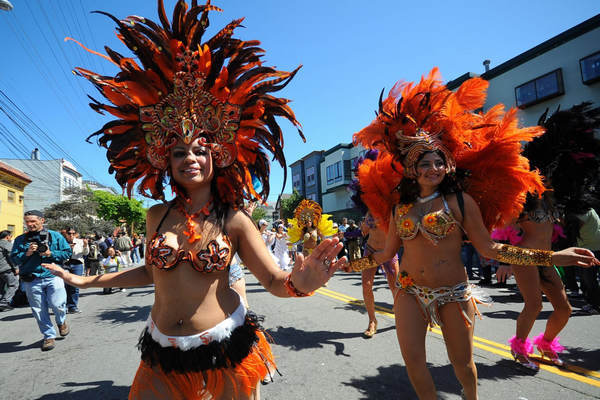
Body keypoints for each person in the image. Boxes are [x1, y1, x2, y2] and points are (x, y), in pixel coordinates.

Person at [43, 2, 347, 398]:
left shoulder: (234, 219)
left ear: (217, 157)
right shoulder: (156, 215)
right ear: (164, 161)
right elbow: (151, 273)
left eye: (200, 150)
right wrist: (84, 279)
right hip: (161, 351)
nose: (190, 159)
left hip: (223, 349)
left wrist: (302, 283)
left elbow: (273, 280)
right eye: (179, 152)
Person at [348, 68, 599, 400]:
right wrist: (347, 265)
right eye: (424, 163)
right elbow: (385, 254)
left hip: (453, 292)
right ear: (411, 167)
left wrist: (552, 257)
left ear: (448, 164)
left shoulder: (460, 202)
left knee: (463, 367)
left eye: (439, 161)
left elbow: (491, 248)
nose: (433, 168)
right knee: (414, 364)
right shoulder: (400, 208)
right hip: (410, 291)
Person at [349, 149, 401, 338]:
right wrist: (365, 224)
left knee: (395, 286)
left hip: (389, 251)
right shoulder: (368, 206)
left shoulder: (392, 204)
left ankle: (401, 314)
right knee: (366, 284)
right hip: (370, 250)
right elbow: (364, 229)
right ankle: (372, 321)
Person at [10, 210, 72, 351]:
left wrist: (50, 253)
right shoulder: (21, 239)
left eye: (33, 221)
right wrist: (27, 253)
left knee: (57, 304)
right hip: (32, 279)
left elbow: (67, 253)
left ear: (42, 220)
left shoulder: (55, 236)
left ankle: (61, 321)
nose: (30, 224)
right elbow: (14, 259)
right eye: (27, 222)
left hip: (53, 275)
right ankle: (48, 336)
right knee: (39, 310)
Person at [62, 227, 89, 313]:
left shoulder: (80, 242)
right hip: (65, 264)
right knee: (65, 286)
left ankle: (73, 306)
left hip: (77, 263)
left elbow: (85, 253)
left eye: (73, 233)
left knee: (75, 285)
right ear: (66, 234)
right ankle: (65, 306)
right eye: (69, 233)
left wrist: (85, 245)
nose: (71, 235)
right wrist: (68, 248)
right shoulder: (62, 242)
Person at [0, 230, 19, 311]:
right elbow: (11, 256)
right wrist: (16, 268)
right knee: (14, 284)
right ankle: (4, 302)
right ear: (7, 236)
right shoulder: (6, 244)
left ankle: (1, 302)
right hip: (5, 268)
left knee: (1, 287)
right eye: (11, 236)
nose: (11, 238)